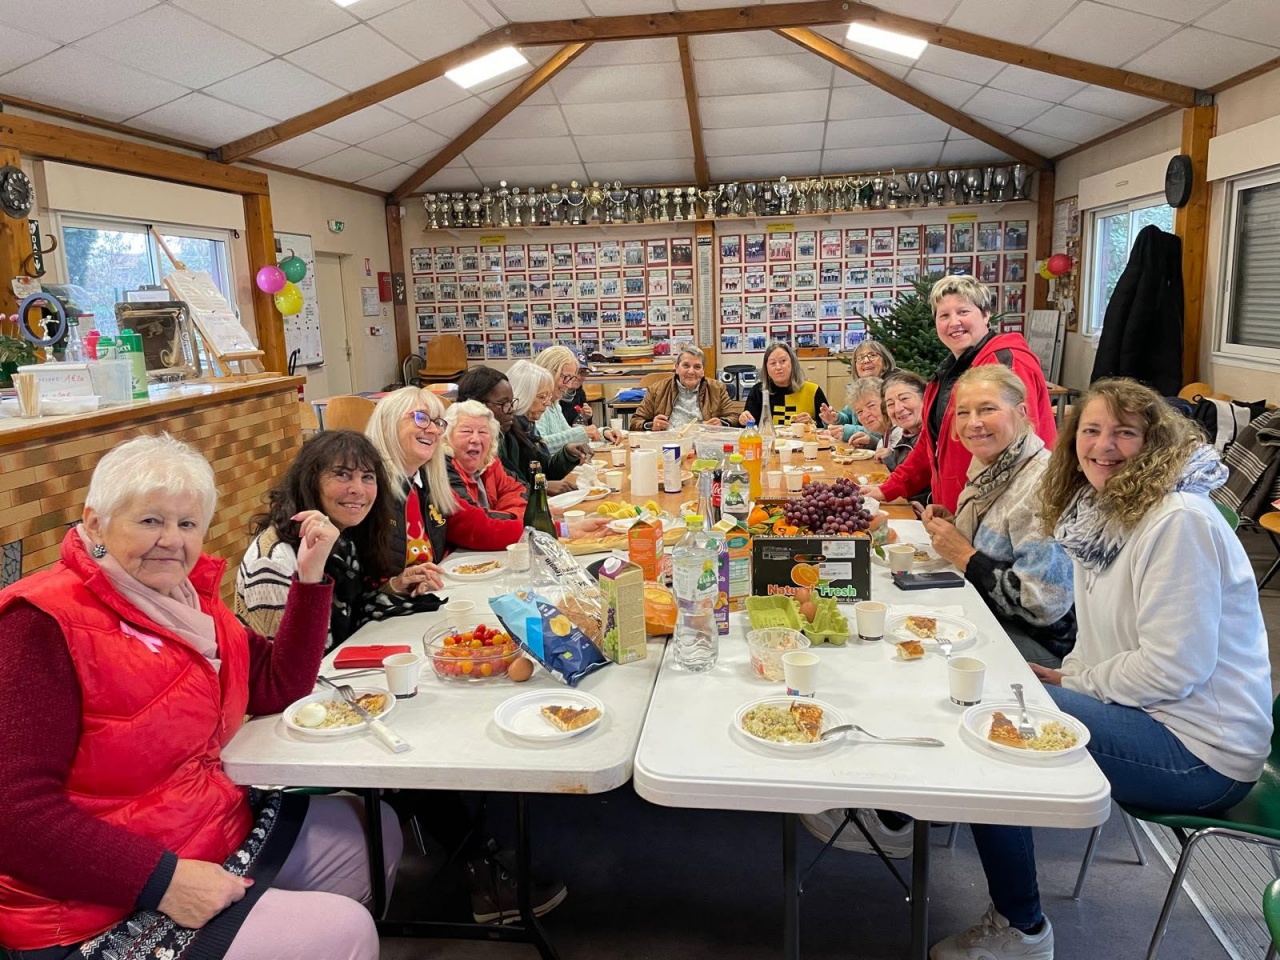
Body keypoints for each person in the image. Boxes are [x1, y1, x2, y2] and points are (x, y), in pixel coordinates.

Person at [0, 434, 402, 960]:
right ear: (94, 522)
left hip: (205, 828)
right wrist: (164, 882)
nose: (172, 540)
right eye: (150, 521)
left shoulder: (191, 604)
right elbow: (15, 814)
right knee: (340, 930)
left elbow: (280, 683)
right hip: (89, 903)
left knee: (374, 833)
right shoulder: (38, 622)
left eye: (188, 524)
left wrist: (309, 574)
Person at [931, 379, 1272, 960]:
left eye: (1124, 433)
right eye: (1090, 430)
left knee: (988, 733)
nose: (1103, 445)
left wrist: (1080, 686)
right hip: (1148, 715)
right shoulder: (1101, 512)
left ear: (1156, 443)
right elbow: (1096, 638)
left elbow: (1173, 669)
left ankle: (1022, 929)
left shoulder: (1179, 520)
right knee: (1001, 692)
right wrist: (1068, 679)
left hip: (1201, 753)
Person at [237, 430, 445, 652]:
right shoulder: (275, 561)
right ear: (310, 481)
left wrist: (396, 586)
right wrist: (311, 574)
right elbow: (288, 669)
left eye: (367, 477)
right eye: (343, 475)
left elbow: (351, 616)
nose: (357, 489)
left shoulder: (343, 537)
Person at [920, 366, 1075, 664]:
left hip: (1038, 647)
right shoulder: (992, 466)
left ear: (1021, 412)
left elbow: (1042, 604)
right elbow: (1002, 542)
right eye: (963, 413)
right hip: (985, 611)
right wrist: (958, 526)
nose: (974, 423)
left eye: (987, 409)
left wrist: (965, 554)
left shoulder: (1040, 485)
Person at [862, 275, 1055, 513]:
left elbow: (1021, 451)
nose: (954, 322)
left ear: (986, 315)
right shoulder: (949, 371)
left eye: (963, 312)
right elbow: (930, 444)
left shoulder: (1006, 362)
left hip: (999, 514)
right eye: (944, 315)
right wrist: (889, 488)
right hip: (960, 508)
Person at [365, 385, 468, 566]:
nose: (434, 430)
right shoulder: (367, 489)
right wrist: (395, 586)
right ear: (388, 423)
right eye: (421, 418)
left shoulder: (427, 484)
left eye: (438, 423)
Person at [458, 363, 586, 496]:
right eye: (542, 397)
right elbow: (507, 487)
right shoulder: (496, 438)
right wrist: (540, 487)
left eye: (510, 403)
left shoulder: (514, 430)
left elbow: (539, 470)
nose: (510, 409)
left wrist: (567, 454)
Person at [444, 399, 529, 550]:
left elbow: (520, 490)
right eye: (466, 431)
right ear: (447, 437)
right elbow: (475, 526)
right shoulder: (444, 469)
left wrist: (511, 516)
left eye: (483, 432)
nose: (475, 439)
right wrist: (524, 521)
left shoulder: (489, 464)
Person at [630, 344, 737, 431]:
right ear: (676, 368)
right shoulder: (656, 389)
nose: (691, 371)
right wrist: (651, 425)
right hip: (668, 442)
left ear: (703, 371)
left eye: (697, 367)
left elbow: (734, 418)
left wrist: (721, 423)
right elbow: (635, 422)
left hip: (704, 442)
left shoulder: (717, 389)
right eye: (686, 365)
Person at [533, 346, 619, 454]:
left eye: (571, 378)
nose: (569, 385)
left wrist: (603, 433)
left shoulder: (554, 404)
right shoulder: (534, 403)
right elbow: (538, 445)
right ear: (548, 372)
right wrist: (582, 433)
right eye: (565, 377)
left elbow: (566, 432)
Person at [739, 340, 828, 427]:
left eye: (783, 361)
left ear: (793, 363)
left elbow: (830, 425)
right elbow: (749, 426)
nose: (778, 367)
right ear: (766, 368)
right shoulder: (758, 391)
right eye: (773, 363)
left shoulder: (813, 390)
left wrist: (813, 423)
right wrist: (743, 420)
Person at [820, 340, 897, 440]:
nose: (866, 361)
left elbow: (886, 429)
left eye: (872, 355)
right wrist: (836, 418)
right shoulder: (859, 389)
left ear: (885, 363)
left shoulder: (892, 390)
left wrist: (849, 431)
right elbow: (848, 415)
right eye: (860, 358)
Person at [876, 370, 928, 474]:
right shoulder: (907, 435)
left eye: (904, 398)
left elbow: (917, 479)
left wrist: (890, 460)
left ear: (925, 397)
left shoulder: (935, 439)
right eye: (890, 404)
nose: (898, 409)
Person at [822, 376, 885, 447]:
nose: (865, 415)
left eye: (871, 406)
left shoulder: (898, 432)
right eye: (859, 412)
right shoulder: (887, 438)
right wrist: (872, 443)